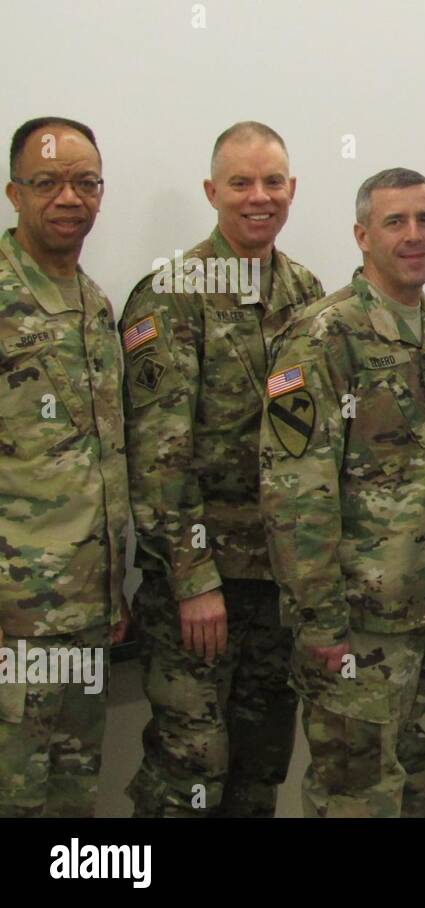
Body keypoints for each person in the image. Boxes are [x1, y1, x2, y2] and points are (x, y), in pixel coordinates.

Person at [261, 168, 425, 818]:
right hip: (361, 630)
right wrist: (320, 621)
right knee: (356, 802)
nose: (415, 236)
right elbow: (294, 490)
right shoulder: (321, 337)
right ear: (362, 235)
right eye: (395, 221)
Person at [118, 121, 323, 817]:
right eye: (240, 183)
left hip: (280, 582)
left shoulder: (307, 294)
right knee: (191, 770)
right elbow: (157, 458)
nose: (257, 197)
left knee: (261, 766)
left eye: (272, 182)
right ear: (213, 192)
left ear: (292, 189)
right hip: (200, 592)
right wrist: (193, 580)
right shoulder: (172, 296)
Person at [0, 116, 130, 817]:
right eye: (47, 182)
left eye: (84, 182)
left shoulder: (94, 306)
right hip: (13, 621)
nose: (68, 198)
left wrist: (110, 591)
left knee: (71, 799)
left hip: (84, 615)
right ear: (15, 193)